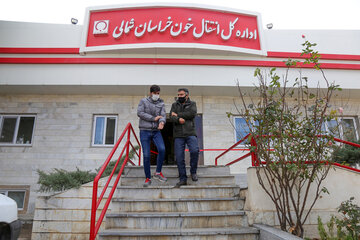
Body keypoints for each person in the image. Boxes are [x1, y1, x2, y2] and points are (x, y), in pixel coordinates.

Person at [137, 85, 167, 187]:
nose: (157, 95)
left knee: (162, 149)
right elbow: (140, 113)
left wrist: (162, 122)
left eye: (158, 93)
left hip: (156, 131)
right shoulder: (143, 101)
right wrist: (153, 118)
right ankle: (148, 178)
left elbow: (163, 115)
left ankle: (158, 173)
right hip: (144, 131)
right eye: (155, 93)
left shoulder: (161, 103)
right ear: (151, 93)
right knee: (146, 155)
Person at [170, 88, 199, 187]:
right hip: (178, 135)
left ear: (187, 95)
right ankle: (183, 178)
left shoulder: (192, 104)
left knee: (195, 151)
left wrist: (177, 115)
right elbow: (171, 117)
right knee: (179, 157)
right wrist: (178, 120)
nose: (179, 96)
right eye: (178, 95)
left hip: (190, 133)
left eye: (181, 95)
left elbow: (192, 114)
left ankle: (193, 172)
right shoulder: (174, 105)